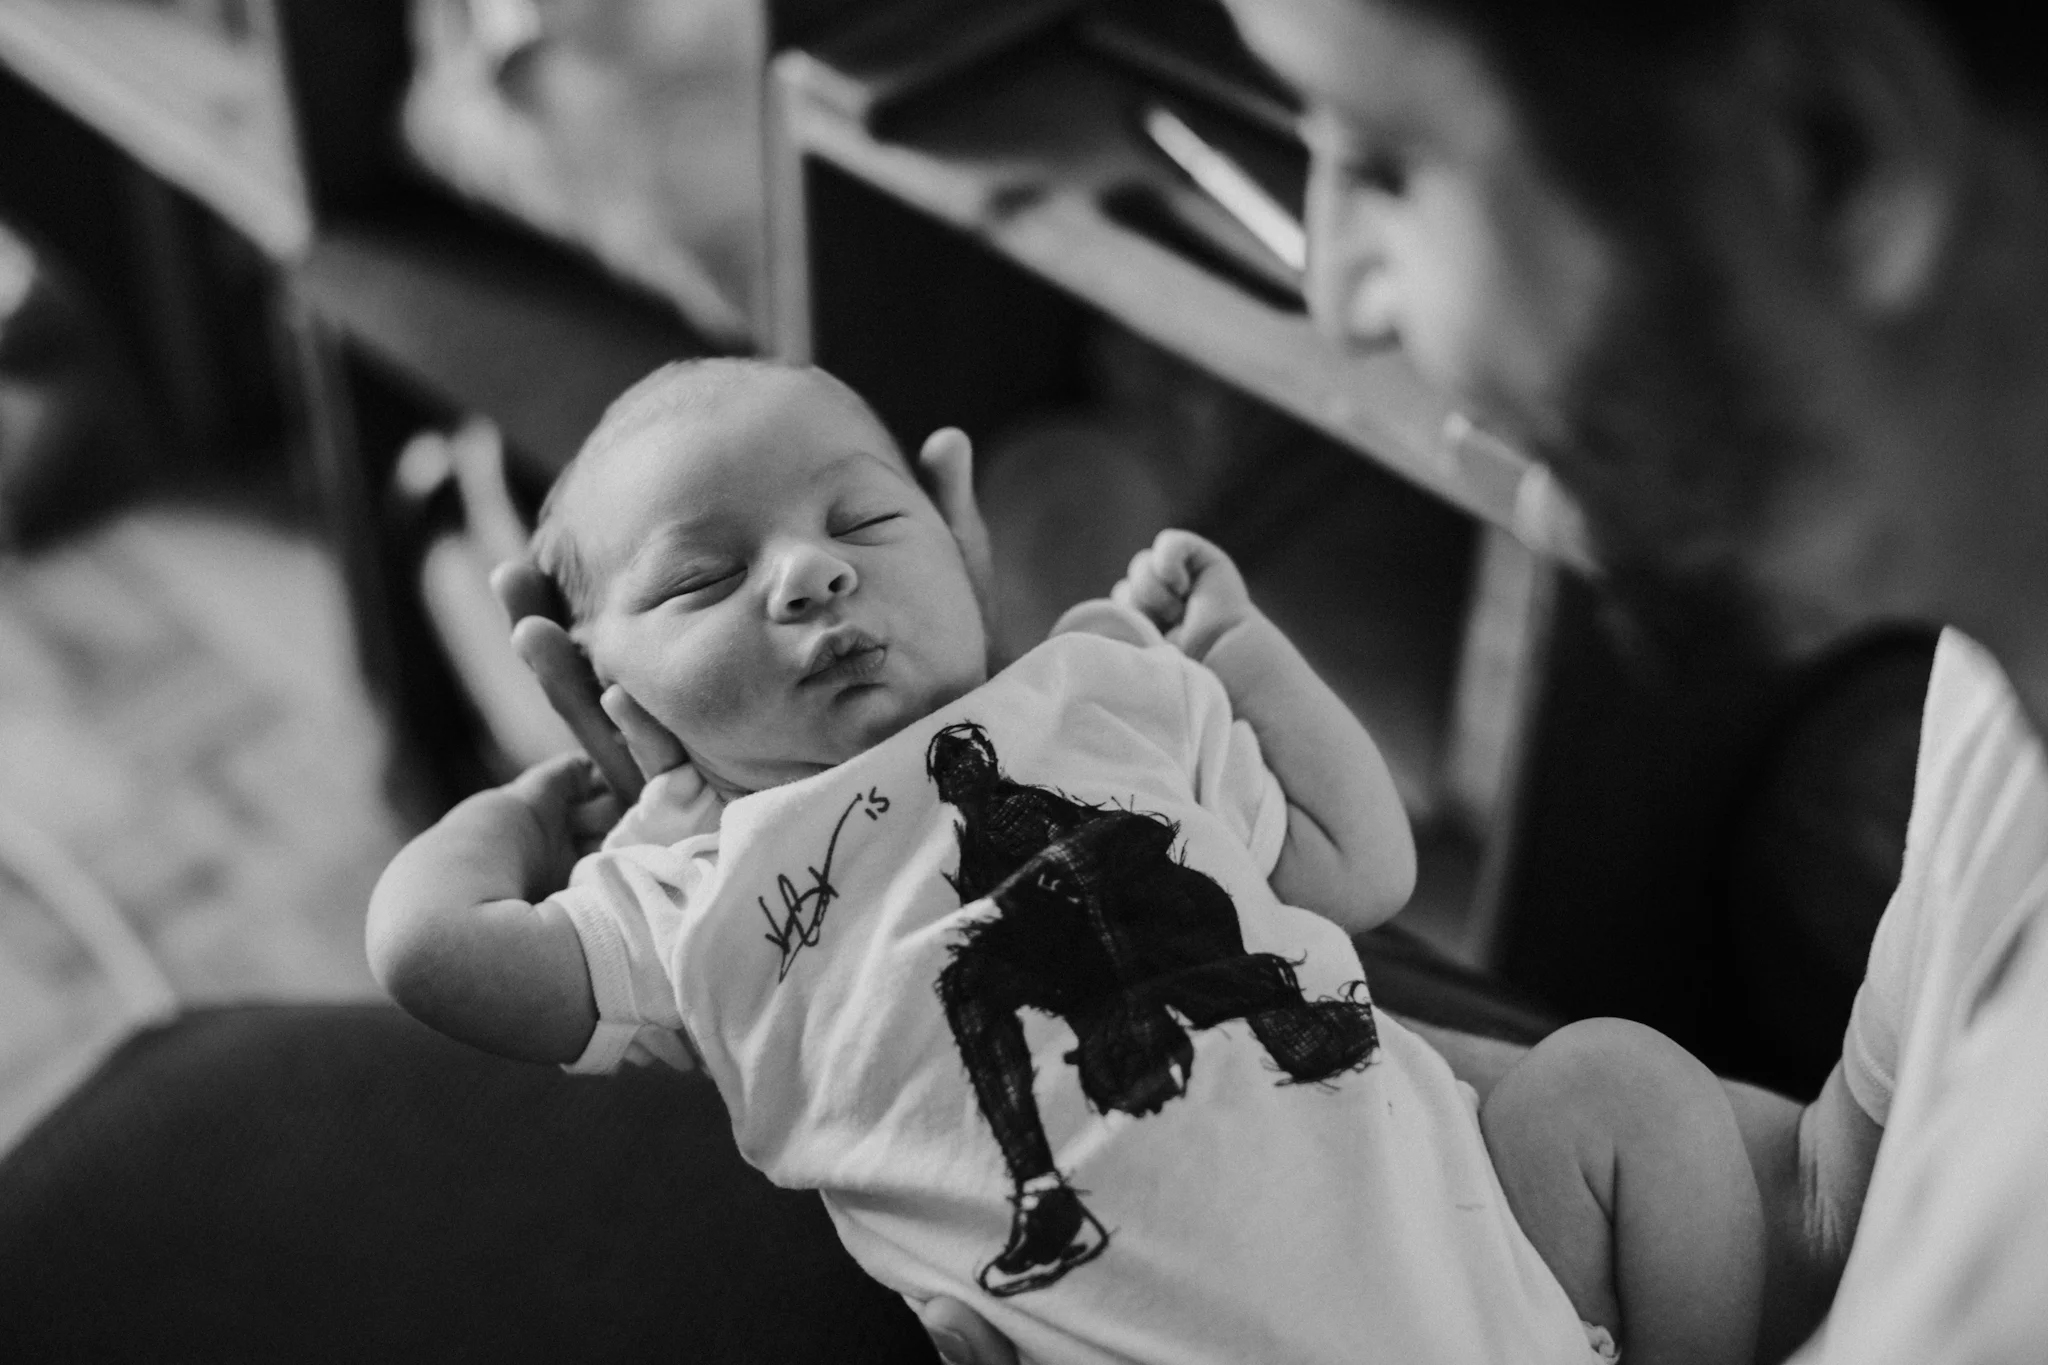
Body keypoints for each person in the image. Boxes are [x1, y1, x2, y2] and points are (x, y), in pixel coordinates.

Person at [853, 1, 2046, 1361]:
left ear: (1833, 150)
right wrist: (1273, 1182)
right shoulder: (2002, 688)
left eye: (1385, 164)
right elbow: (1835, 1217)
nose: (1337, 294)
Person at [381, 356, 1765, 1362]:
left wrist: (1244, 658)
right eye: (701, 580)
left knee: (1626, 1086)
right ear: (611, 683)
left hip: (1483, 1264)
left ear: (957, 539)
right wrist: (520, 822)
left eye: (863, 522)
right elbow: (435, 956)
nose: (809, 573)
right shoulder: (696, 889)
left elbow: (1357, 868)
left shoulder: (1100, 689)